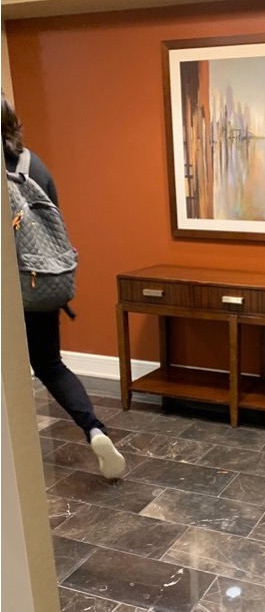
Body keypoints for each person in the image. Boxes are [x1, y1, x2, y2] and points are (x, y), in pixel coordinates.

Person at [2, 92, 126, 480]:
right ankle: (94, 429)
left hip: (9, 289)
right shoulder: (32, 164)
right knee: (50, 364)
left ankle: (16, 468)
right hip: (41, 283)